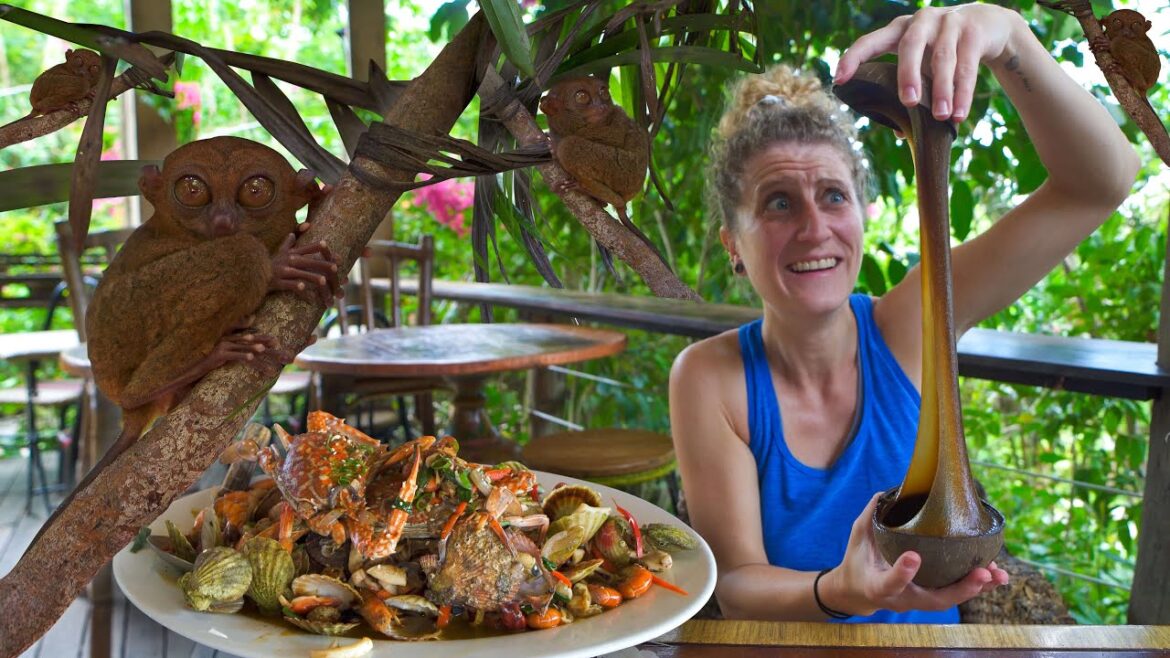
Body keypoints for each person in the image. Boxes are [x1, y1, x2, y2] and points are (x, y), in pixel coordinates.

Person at [669, 3, 1140, 623]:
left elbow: (1101, 181)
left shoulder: (912, 322)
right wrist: (839, 591)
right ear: (734, 242)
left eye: (834, 196)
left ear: (861, 214)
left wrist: (1011, 39)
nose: (815, 230)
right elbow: (736, 586)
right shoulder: (711, 377)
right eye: (779, 203)